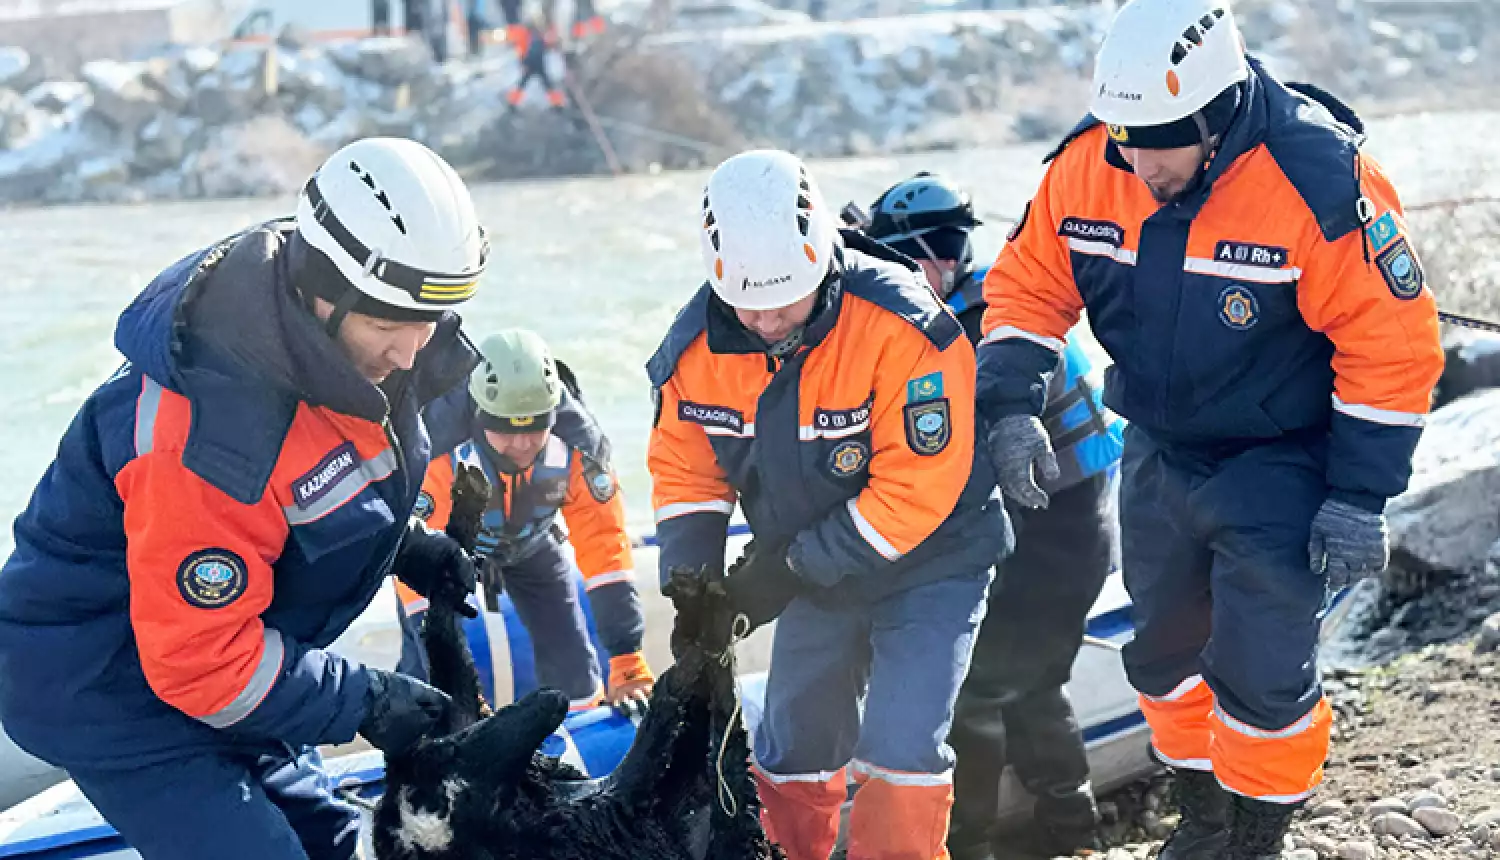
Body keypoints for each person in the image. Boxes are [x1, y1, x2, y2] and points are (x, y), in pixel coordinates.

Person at [976, 0, 1443, 857]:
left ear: (1219, 113)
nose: (1142, 163)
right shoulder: (1088, 167)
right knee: (1159, 654)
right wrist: (1008, 405)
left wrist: (1359, 496)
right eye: (1127, 137)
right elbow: (1026, 290)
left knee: (1263, 666)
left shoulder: (1319, 181)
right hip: (1156, 448)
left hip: (1283, 455)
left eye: (1162, 141)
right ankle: (1203, 815)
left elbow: (1394, 345)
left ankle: (1259, 831)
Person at [0, 137, 490, 860]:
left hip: (229, 654)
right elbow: (199, 663)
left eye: (428, 321)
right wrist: (369, 702)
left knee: (345, 844)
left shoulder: (350, 344)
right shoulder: (208, 437)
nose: (412, 351)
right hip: (110, 686)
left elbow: (318, 485)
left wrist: (403, 545)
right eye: (389, 326)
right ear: (321, 292)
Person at [648, 149, 1012, 860]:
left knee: (901, 743)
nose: (767, 319)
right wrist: (691, 582)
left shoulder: (906, 327)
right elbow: (687, 471)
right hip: (810, 564)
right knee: (792, 745)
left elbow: (917, 491)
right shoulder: (693, 351)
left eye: (785, 299)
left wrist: (782, 571)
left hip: (934, 559)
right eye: (748, 302)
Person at [865, 173, 1124, 858]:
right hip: (1069, 526)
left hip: (1054, 535)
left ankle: (972, 842)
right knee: (1034, 684)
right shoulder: (995, 302)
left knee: (978, 690)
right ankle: (1072, 832)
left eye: (893, 259)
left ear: (936, 255)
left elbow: (953, 455)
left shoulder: (982, 329)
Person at [396, 328, 656, 712]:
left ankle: (580, 727)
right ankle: (420, 733)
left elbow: (604, 543)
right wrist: (455, 676)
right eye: (504, 430)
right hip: (444, 556)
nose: (521, 445)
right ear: (479, 415)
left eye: (536, 429)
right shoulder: (436, 449)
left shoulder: (581, 448)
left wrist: (626, 656)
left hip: (529, 546)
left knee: (576, 669)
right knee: (428, 674)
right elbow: (418, 565)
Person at [508, 11, 566, 108]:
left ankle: (513, 102)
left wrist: (522, 62)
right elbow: (522, 50)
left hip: (534, 63)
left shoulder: (534, 36)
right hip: (534, 63)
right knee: (545, 84)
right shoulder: (531, 36)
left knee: (526, 83)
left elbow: (548, 43)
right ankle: (556, 102)